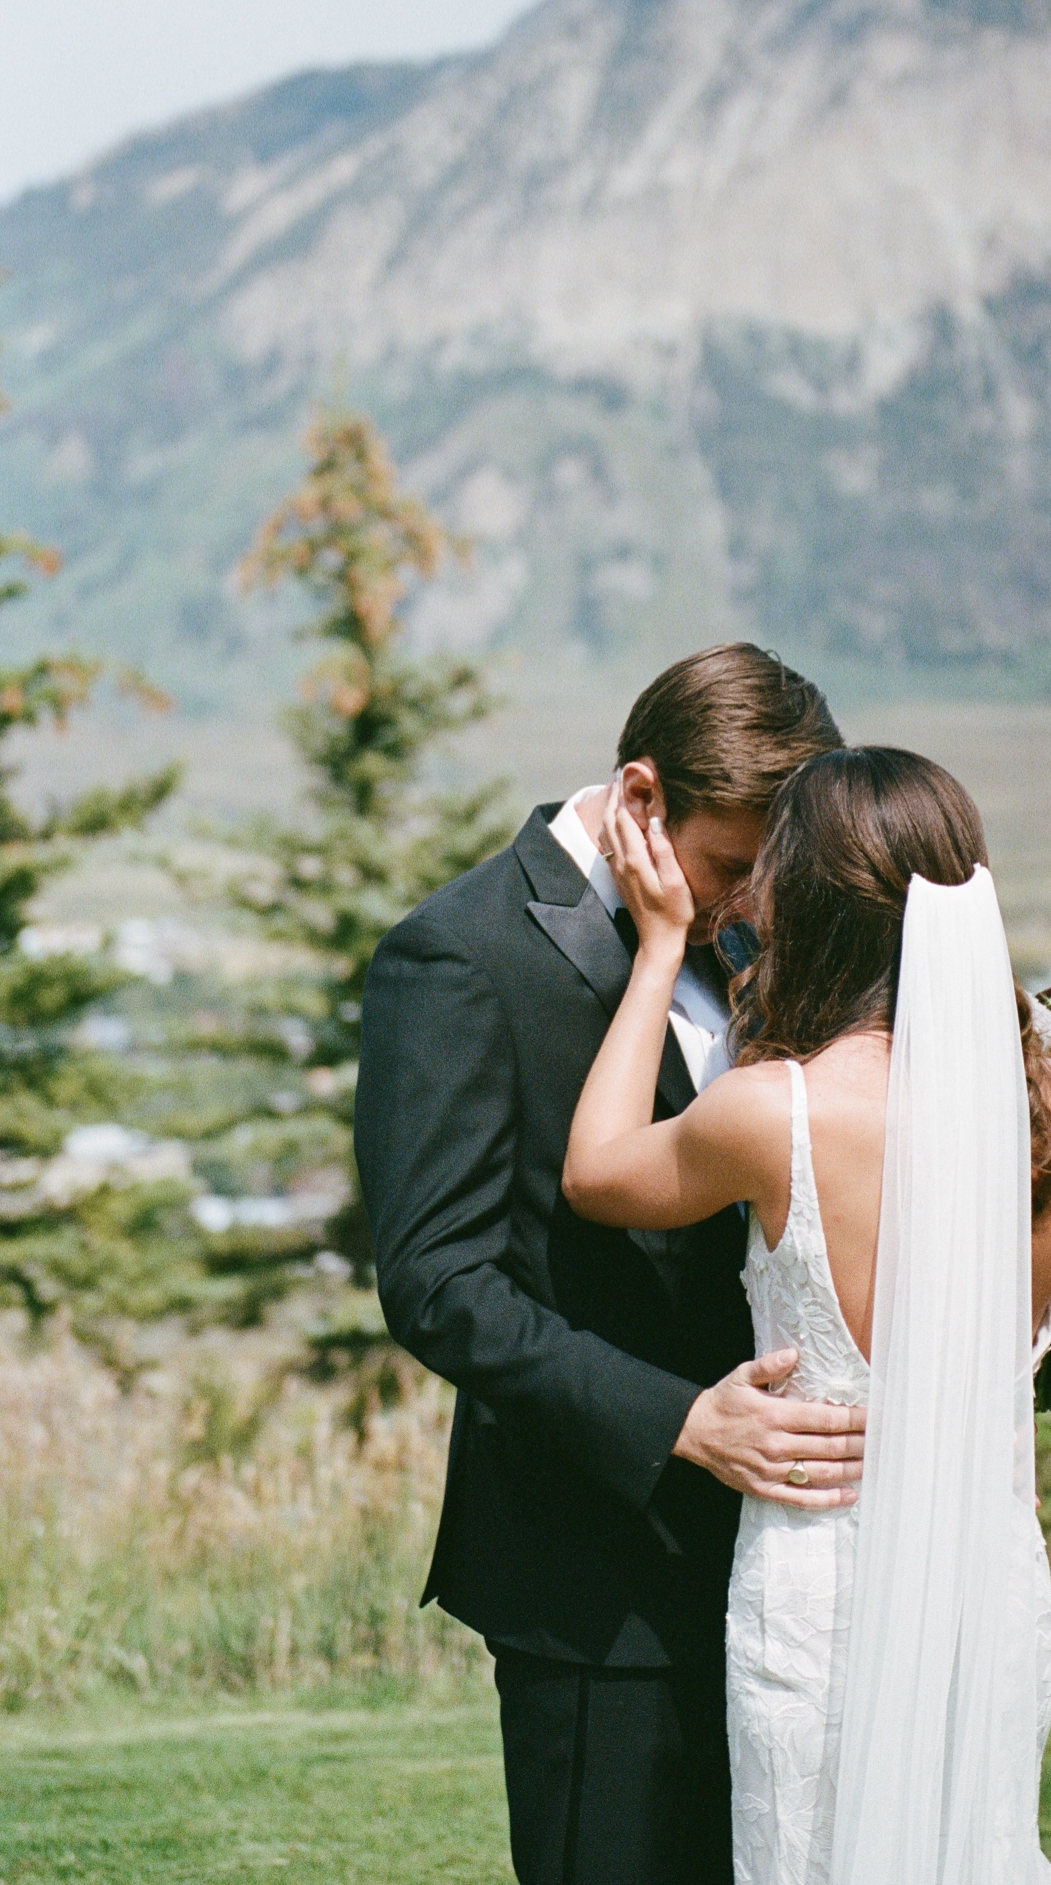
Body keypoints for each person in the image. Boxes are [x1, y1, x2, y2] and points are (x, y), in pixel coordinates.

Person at [563, 745, 1051, 1883]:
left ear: (815, 900)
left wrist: (653, 957)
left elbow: (594, 1172)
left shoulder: (772, 1110)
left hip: (817, 1592)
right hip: (988, 1599)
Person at [354, 643, 862, 1885]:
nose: (753, 902)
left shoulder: (756, 942)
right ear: (644, 797)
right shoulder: (456, 956)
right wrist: (680, 1418)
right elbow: (439, 1280)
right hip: (598, 1584)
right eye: (736, 863)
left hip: (787, 1574)